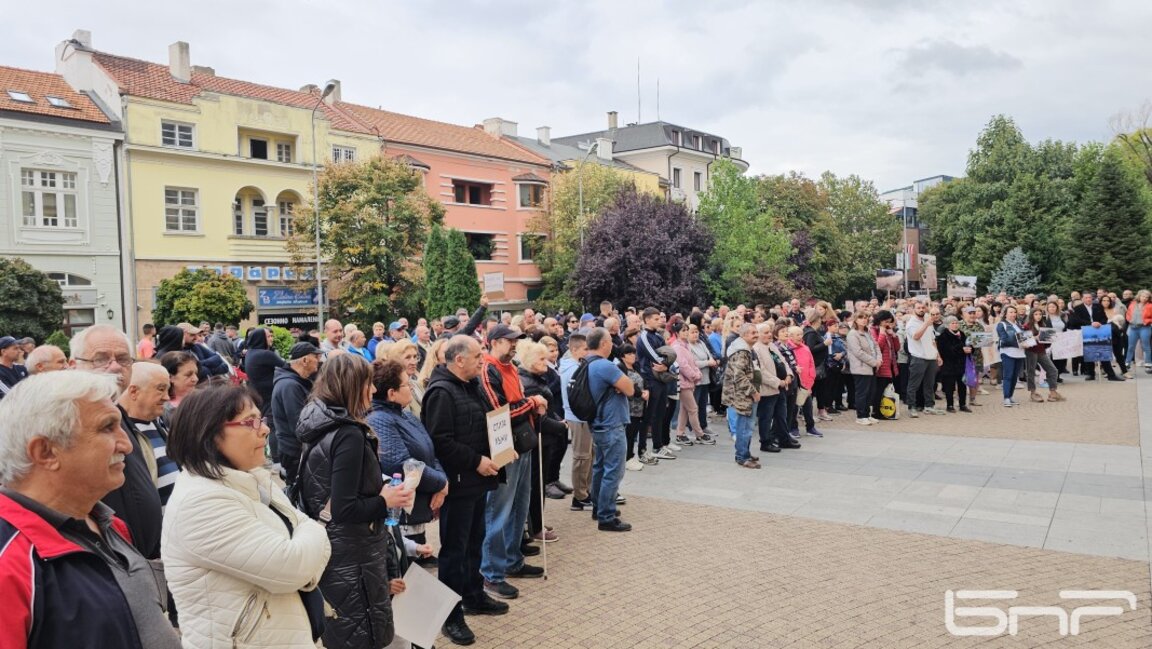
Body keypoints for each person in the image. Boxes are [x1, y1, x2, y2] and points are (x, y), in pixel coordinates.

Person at [0, 372, 183, 649]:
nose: (127, 444)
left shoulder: (107, 524)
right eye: (107, 427)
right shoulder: (10, 564)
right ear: (46, 452)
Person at [163, 384, 332, 648]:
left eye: (260, 420)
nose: (264, 429)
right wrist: (319, 530)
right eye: (250, 422)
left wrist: (308, 537)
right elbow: (293, 566)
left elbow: (300, 534)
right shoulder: (201, 502)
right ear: (208, 433)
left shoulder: (251, 478)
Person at [297, 353, 414, 649]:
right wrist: (384, 498)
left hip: (338, 551)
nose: (373, 391)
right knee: (362, 637)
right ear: (352, 386)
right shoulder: (348, 434)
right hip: (354, 556)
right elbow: (346, 508)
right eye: (367, 384)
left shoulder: (320, 423)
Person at [423, 335, 509, 646]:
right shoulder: (441, 392)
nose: (482, 359)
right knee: (454, 552)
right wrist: (476, 461)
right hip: (459, 483)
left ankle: (473, 596)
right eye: (477, 355)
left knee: (474, 543)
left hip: (477, 480)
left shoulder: (470, 385)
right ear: (459, 360)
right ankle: (451, 615)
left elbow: (486, 422)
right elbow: (441, 441)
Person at [70, 325, 165, 560]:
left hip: (142, 561)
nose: (114, 366)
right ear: (73, 366)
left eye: (123, 359)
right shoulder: (66, 421)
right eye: (100, 359)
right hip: (102, 562)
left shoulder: (120, 414)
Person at [478, 324, 546, 600]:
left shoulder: (512, 368)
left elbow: (516, 403)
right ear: (494, 342)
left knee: (519, 504)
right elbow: (498, 411)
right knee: (499, 510)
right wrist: (533, 403)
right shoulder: (489, 369)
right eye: (509, 341)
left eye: (516, 340)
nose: (514, 345)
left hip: (522, 442)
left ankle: (511, 559)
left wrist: (530, 403)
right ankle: (491, 574)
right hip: (504, 446)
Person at [367, 359, 447, 566]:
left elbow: (430, 451)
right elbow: (400, 464)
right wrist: (440, 483)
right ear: (391, 393)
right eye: (405, 384)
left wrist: (442, 482)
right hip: (401, 514)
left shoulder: (404, 414)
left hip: (418, 506)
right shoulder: (379, 419)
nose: (411, 386)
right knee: (404, 571)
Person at [583, 328, 634, 530]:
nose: (613, 344)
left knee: (600, 467)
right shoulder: (605, 366)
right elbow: (630, 389)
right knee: (613, 470)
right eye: (610, 341)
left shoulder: (586, 362)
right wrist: (621, 384)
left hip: (597, 422)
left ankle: (599, 506)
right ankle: (607, 516)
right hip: (611, 423)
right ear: (604, 343)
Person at [516, 341, 565, 543]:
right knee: (535, 485)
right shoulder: (529, 384)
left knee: (537, 483)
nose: (547, 362)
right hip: (536, 440)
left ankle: (536, 521)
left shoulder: (536, 378)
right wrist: (561, 426)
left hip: (543, 439)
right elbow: (538, 420)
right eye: (541, 358)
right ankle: (535, 526)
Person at [118, 362, 180, 508]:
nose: (166, 397)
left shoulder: (159, 423)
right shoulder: (120, 434)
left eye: (167, 390)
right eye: (160, 389)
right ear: (134, 392)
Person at [272, 342, 323, 484]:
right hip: (294, 451)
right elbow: (300, 424)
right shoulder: (290, 385)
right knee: (296, 493)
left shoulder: (295, 382)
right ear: (305, 360)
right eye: (316, 357)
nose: (319, 361)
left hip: (296, 449)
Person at [560, 334, 598, 508]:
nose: (588, 352)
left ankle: (586, 490)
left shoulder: (577, 365)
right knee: (582, 457)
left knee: (588, 456)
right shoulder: (570, 368)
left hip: (582, 416)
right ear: (574, 349)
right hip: (578, 416)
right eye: (585, 348)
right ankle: (580, 496)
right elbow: (576, 395)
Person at [723, 324, 761, 468]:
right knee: (744, 426)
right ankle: (742, 456)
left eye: (756, 332)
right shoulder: (741, 352)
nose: (756, 335)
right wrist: (753, 391)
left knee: (747, 426)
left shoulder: (746, 349)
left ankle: (745, 452)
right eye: (752, 333)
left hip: (746, 394)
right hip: (742, 395)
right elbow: (739, 376)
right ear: (744, 335)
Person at [752, 323, 792, 451]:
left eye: (770, 332)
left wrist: (789, 375)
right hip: (768, 389)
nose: (769, 334)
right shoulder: (756, 349)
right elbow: (761, 372)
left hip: (781, 387)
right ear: (758, 335)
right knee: (766, 417)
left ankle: (783, 439)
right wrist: (777, 382)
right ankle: (765, 442)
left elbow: (783, 361)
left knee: (781, 415)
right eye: (766, 332)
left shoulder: (772, 345)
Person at [672, 323, 713, 446]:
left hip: (689, 382)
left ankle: (680, 434)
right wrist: (695, 375)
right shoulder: (677, 347)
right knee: (693, 409)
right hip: (683, 382)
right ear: (677, 333)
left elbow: (692, 363)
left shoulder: (685, 346)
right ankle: (699, 434)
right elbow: (683, 365)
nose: (685, 332)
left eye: (686, 330)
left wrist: (696, 374)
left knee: (685, 410)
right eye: (683, 330)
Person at [1069, 292, 1123, 381]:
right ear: (1082, 299)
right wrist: (1091, 324)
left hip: (1099, 331)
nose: (1088, 299)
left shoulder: (1098, 306)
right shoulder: (1078, 308)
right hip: (1086, 332)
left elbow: (1104, 318)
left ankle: (1111, 375)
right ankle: (1091, 374)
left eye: (1090, 297)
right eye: (1086, 298)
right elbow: (1075, 321)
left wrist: (1099, 323)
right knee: (1089, 353)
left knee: (1103, 353)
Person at [905, 300, 944, 417]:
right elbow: (916, 336)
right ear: (913, 309)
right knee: (914, 385)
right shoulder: (911, 323)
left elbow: (933, 340)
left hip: (931, 357)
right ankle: (912, 407)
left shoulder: (928, 321)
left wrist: (938, 355)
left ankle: (929, 406)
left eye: (923, 307)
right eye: (918, 308)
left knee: (930, 384)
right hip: (918, 357)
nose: (921, 309)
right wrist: (926, 324)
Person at [1023, 307, 1065, 402]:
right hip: (1031, 351)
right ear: (1032, 315)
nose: (1038, 316)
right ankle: (1033, 393)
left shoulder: (1043, 324)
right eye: (1036, 314)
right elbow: (1025, 342)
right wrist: (1035, 338)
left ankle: (1053, 392)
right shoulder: (1026, 326)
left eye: (1040, 314)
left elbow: (1046, 341)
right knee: (1031, 372)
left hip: (1041, 351)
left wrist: (1050, 337)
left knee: (1053, 370)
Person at [846, 312, 881, 424]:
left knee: (870, 392)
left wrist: (879, 359)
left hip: (872, 367)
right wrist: (874, 362)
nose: (864, 320)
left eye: (866, 318)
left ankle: (867, 414)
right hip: (861, 368)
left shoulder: (868, 332)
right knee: (862, 392)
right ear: (855, 319)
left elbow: (876, 346)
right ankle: (860, 416)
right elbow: (858, 352)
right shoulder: (852, 334)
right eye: (861, 317)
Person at [936, 316, 971, 413]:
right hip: (949, 365)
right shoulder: (943, 336)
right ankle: (950, 405)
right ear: (947, 325)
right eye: (952, 323)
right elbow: (945, 350)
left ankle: (962, 404)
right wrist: (961, 349)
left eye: (956, 323)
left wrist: (970, 349)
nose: (955, 325)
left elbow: (968, 345)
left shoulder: (962, 334)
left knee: (962, 385)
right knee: (949, 386)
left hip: (961, 364)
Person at [996, 305, 1027, 406]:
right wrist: (1020, 344)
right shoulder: (1001, 325)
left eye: (1014, 312)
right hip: (1007, 353)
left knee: (1014, 376)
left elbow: (1023, 337)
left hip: (1019, 353)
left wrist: (1029, 342)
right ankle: (1006, 398)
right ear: (1005, 314)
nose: (1013, 314)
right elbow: (1004, 340)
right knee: (1008, 376)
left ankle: (1010, 396)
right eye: (1010, 312)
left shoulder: (1018, 324)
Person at [160, 351, 200, 417]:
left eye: (196, 373)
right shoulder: (164, 410)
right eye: (188, 375)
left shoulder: (202, 398)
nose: (196, 379)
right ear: (170, 377)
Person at [1126, 289, 1152, 373]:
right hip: (1133, 327)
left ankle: (1148, 364)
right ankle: (1127, 363)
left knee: (1146, 346)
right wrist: (1129, 319)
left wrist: (1147, 321)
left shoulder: (1150, 306)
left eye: (1146, 297)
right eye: (1143, 296)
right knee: (1130, 346)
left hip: (1144, 327)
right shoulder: (1133, 304)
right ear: (1139, 296)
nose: (1144, 298)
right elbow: (1128, 313)